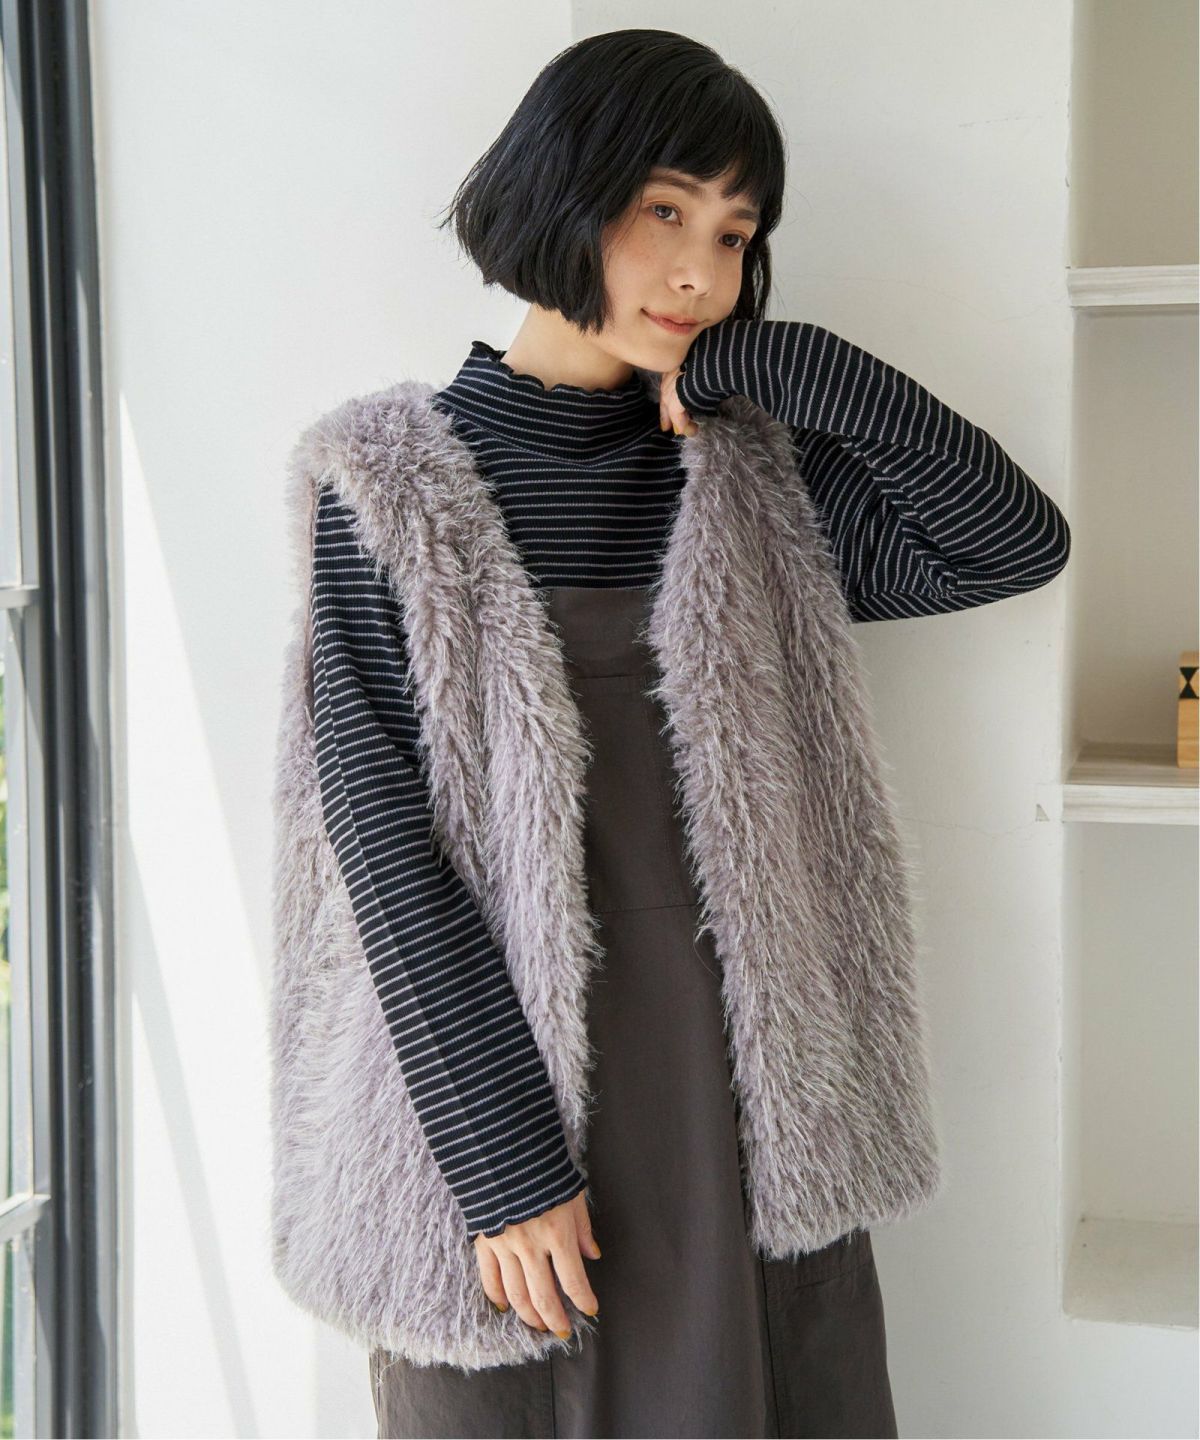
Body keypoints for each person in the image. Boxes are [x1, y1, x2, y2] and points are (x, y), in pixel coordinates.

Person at [274, 27, 1071, 1440]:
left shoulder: (753, 486)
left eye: (736, 235)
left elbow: (1010, 542)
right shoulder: (387, 486)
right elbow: (381, 845)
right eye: (663, 211)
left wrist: (789, 361)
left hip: (748, 1089)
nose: (699, 271)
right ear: (559, 191)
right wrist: (504, 1165)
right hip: (496, 1087)